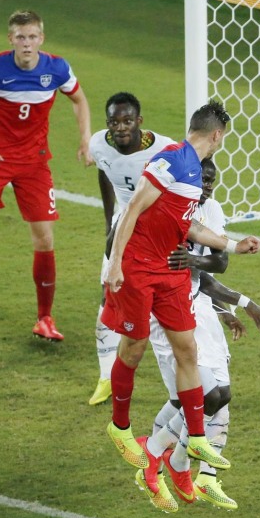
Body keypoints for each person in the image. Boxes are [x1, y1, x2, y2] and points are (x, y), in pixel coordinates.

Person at [101, 100, 260, 487]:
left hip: (169, 270)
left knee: (187, 350)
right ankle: (120, 428)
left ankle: (198, 440)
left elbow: (187, 225)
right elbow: (134, 208)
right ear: (217, 135)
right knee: (134, 345)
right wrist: (117, 263)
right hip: (139, 264)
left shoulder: (192, 171)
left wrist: (233, 245)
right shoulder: (173, 158)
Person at [0, 9, 92, 342]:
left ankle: (45, 318)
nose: (27, 43)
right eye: (21, 37)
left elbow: (79, 100)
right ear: (11, 39)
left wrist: (85, 139)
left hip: (35, 162)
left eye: (33, 36)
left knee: (45, 239)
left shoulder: (57, 68)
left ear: (42, 38)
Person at [134, 158, 260, 512]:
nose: (206, 186)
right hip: (167, 313)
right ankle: (154, 452)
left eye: (210, 180)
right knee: (199, 397)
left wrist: (231, 307)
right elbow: (174, 267)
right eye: (200, 179)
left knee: (218, 395)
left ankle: (184, 467)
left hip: (195, 307)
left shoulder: (208, 208)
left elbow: (212, 266)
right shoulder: (167, 209)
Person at [87, 92, 175, 406]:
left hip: (158, 232)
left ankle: (183, 377)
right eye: (114, 122)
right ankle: (105, 377)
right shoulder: (99, 143)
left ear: (139, 121)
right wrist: (109, 221)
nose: (121, 127)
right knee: (107, 296)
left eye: (127, 121)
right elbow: (103, 172)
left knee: (168, 306)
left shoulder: (165, 149)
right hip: (123, 226)